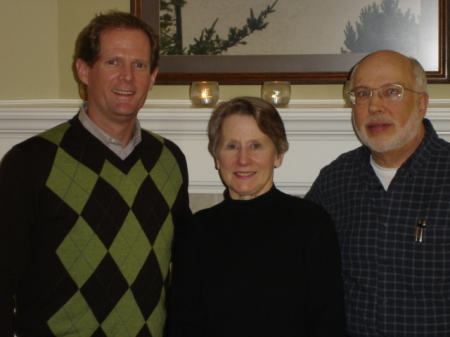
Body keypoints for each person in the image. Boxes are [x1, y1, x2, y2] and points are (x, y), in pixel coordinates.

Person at [0, 11, 191, 336]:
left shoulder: (169, 160)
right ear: (84, 70)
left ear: (153, 76)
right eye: (113, 62)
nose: (128, 77)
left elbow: (189, 269)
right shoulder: (31, 162)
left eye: (140, 65)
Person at [168, 97, 345, 336]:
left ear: (278, 155)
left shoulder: (311, 224)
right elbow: (183, 325)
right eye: (231, 146)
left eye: (256, 146)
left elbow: (328, 324)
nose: (243, 159)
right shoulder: (196, 230)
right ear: (217, 158)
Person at [305, 50, 450, 337]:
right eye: (362, 94)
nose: (374, 106)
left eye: (392, 92)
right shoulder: (335, 180)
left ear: (422, 103)